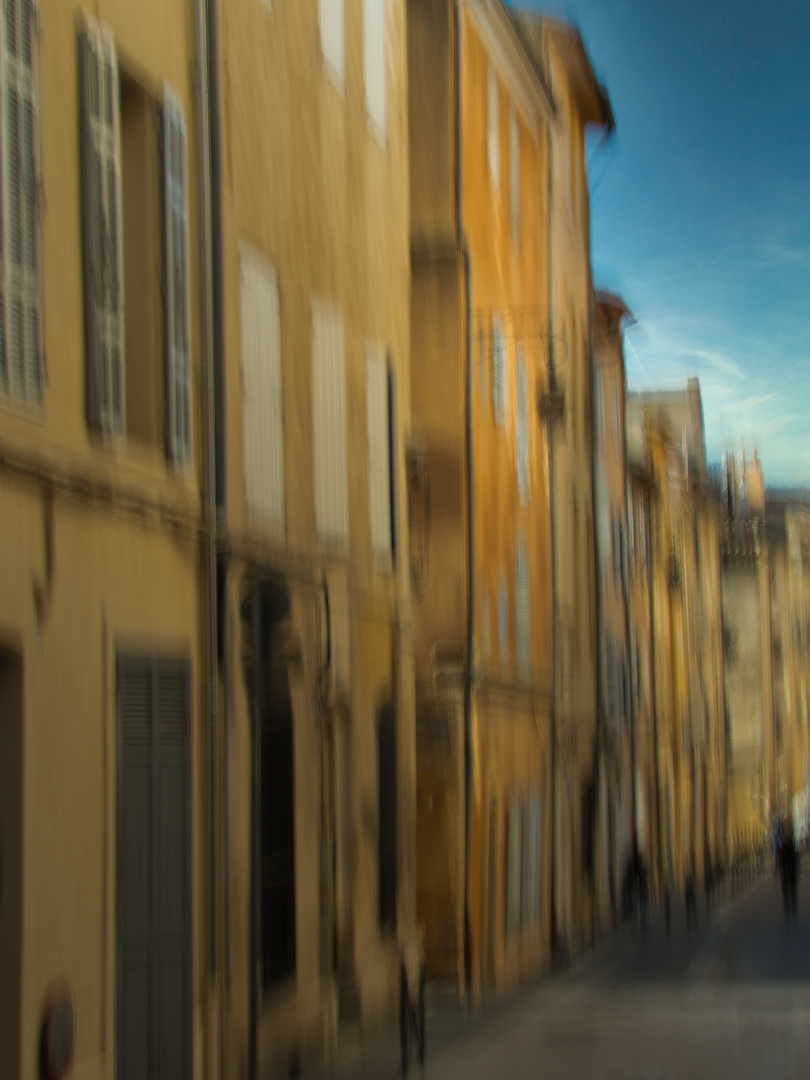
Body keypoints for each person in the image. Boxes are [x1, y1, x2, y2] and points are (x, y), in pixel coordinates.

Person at [780, 817, 799, 922]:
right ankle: (793, 908)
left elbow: (782, 862)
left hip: (786, 873)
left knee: (787, 892)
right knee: (792, 891)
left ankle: (788, 909)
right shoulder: (792, 849)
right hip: (791, 873)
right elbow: (796, 861)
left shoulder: (784, 849)